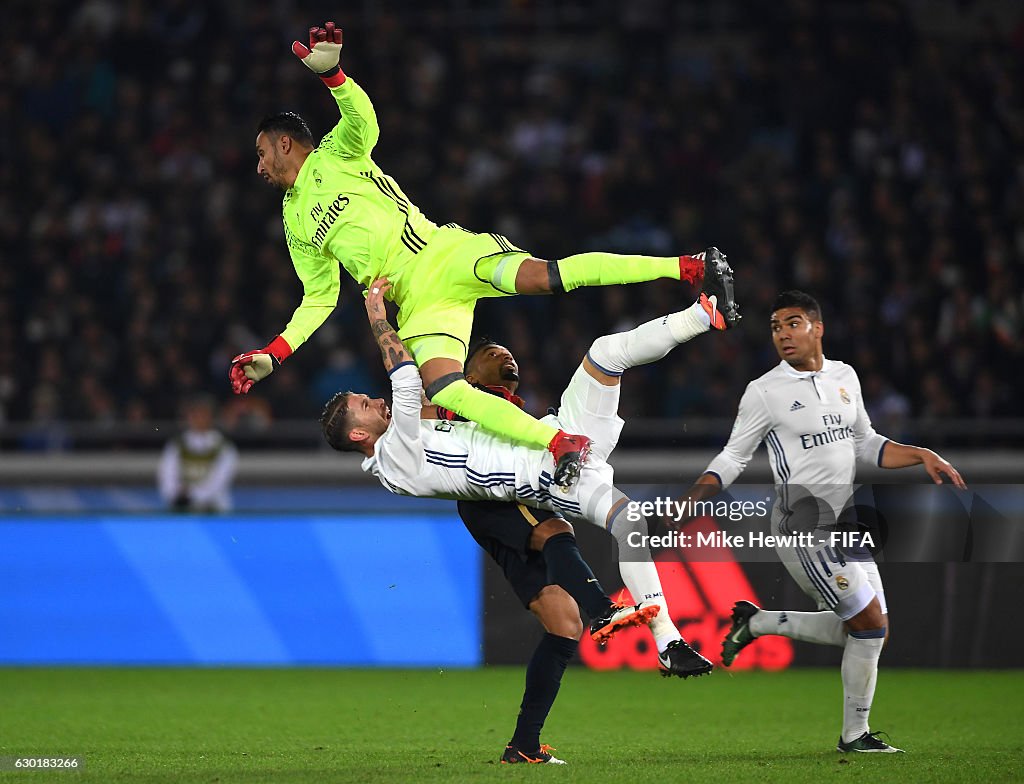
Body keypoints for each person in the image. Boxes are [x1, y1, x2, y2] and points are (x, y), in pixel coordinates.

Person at [230, 20, 739, 489]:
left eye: (260, 154)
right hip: (419, 304)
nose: (258, 168)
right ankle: (560, 443)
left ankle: (688, 267)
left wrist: (335, 76)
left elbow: (364, 122)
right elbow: (319, 296)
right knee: (446, 391)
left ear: (283, 144)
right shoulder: (294, 222)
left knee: (547, 277)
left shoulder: (335, 155)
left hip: (444, 252)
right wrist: (273, 353)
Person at [321, 256, 740, 679]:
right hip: (550, 475)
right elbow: (409, 379)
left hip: (556, 435)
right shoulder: (394, 456)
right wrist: (378, 317)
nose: (375, 401)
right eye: (363, 405)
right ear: (359, 436)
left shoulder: (410, 436)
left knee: (605, 353)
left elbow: (423, 387)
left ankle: (705, 314)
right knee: (627, 521)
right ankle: (667, 639)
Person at [678, 290, 966, 754]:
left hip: (845, 521)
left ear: (818, 328)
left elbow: (865, 443)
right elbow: (734, 454)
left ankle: (759, 623)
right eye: (775, 327)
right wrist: (697, 495)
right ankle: (854, 737)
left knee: (872, 631)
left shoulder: (844, 376)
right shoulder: (765, 391)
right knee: (867, 624)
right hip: (803, 524)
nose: (783, 334)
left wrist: (921, 455)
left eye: (792, 323)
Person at [157, 395, 238, 513]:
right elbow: (166, 475)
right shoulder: (176, 445)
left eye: (203, 414)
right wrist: (175, 495)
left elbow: (219, 482)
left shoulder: (224, 447)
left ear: (211, 417)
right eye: (195, 414)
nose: (198, 419)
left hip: (215, 510)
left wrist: (192, 495)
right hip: (182, 507)